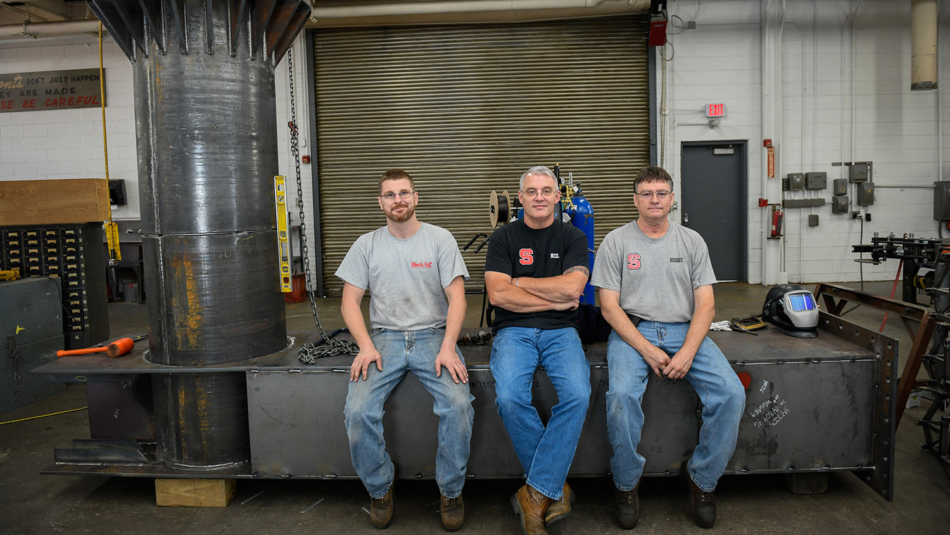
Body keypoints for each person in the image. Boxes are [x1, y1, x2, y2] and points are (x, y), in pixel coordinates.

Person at [591, 166, 746, 529]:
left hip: (685, 329)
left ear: (672, 199)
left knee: (731, 394)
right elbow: (608, 306)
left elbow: (706, 305)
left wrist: (688, 351)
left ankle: (702, 480)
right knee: (621, 398)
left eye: (661, 193)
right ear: (635, 200)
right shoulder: (616, 241)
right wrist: (646, 348)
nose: (654, 199)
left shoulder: (692, 242)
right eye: (646, 193)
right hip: (634, 330)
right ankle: (626, 483)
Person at [337, 169, 474, 531]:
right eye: (390, 194)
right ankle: (379, 488)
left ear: (416, 198)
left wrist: (448, 347)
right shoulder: (366, 244)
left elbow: (457, 298)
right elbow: (350, 302)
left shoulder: (440, 239)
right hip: (385, 339)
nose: (398, 200)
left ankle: (451, 490)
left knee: (459, 405)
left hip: (433, 336)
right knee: (358, 411)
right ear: (380, 202)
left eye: (404, 193)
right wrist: (365, 346)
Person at [484, 165, 592, 535]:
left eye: (547, 191)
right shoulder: (503, 239)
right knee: (511, 397)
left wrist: (522, 284)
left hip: (561, 332)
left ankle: (535, 494)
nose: (540, 197)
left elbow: (573, 291)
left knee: (578, 394)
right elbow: (498, 295)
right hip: (512, 331)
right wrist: (554, 296)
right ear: (520, 199)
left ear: (558, 196)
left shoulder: (573, 237)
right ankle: (552, 488)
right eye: (532, 192)